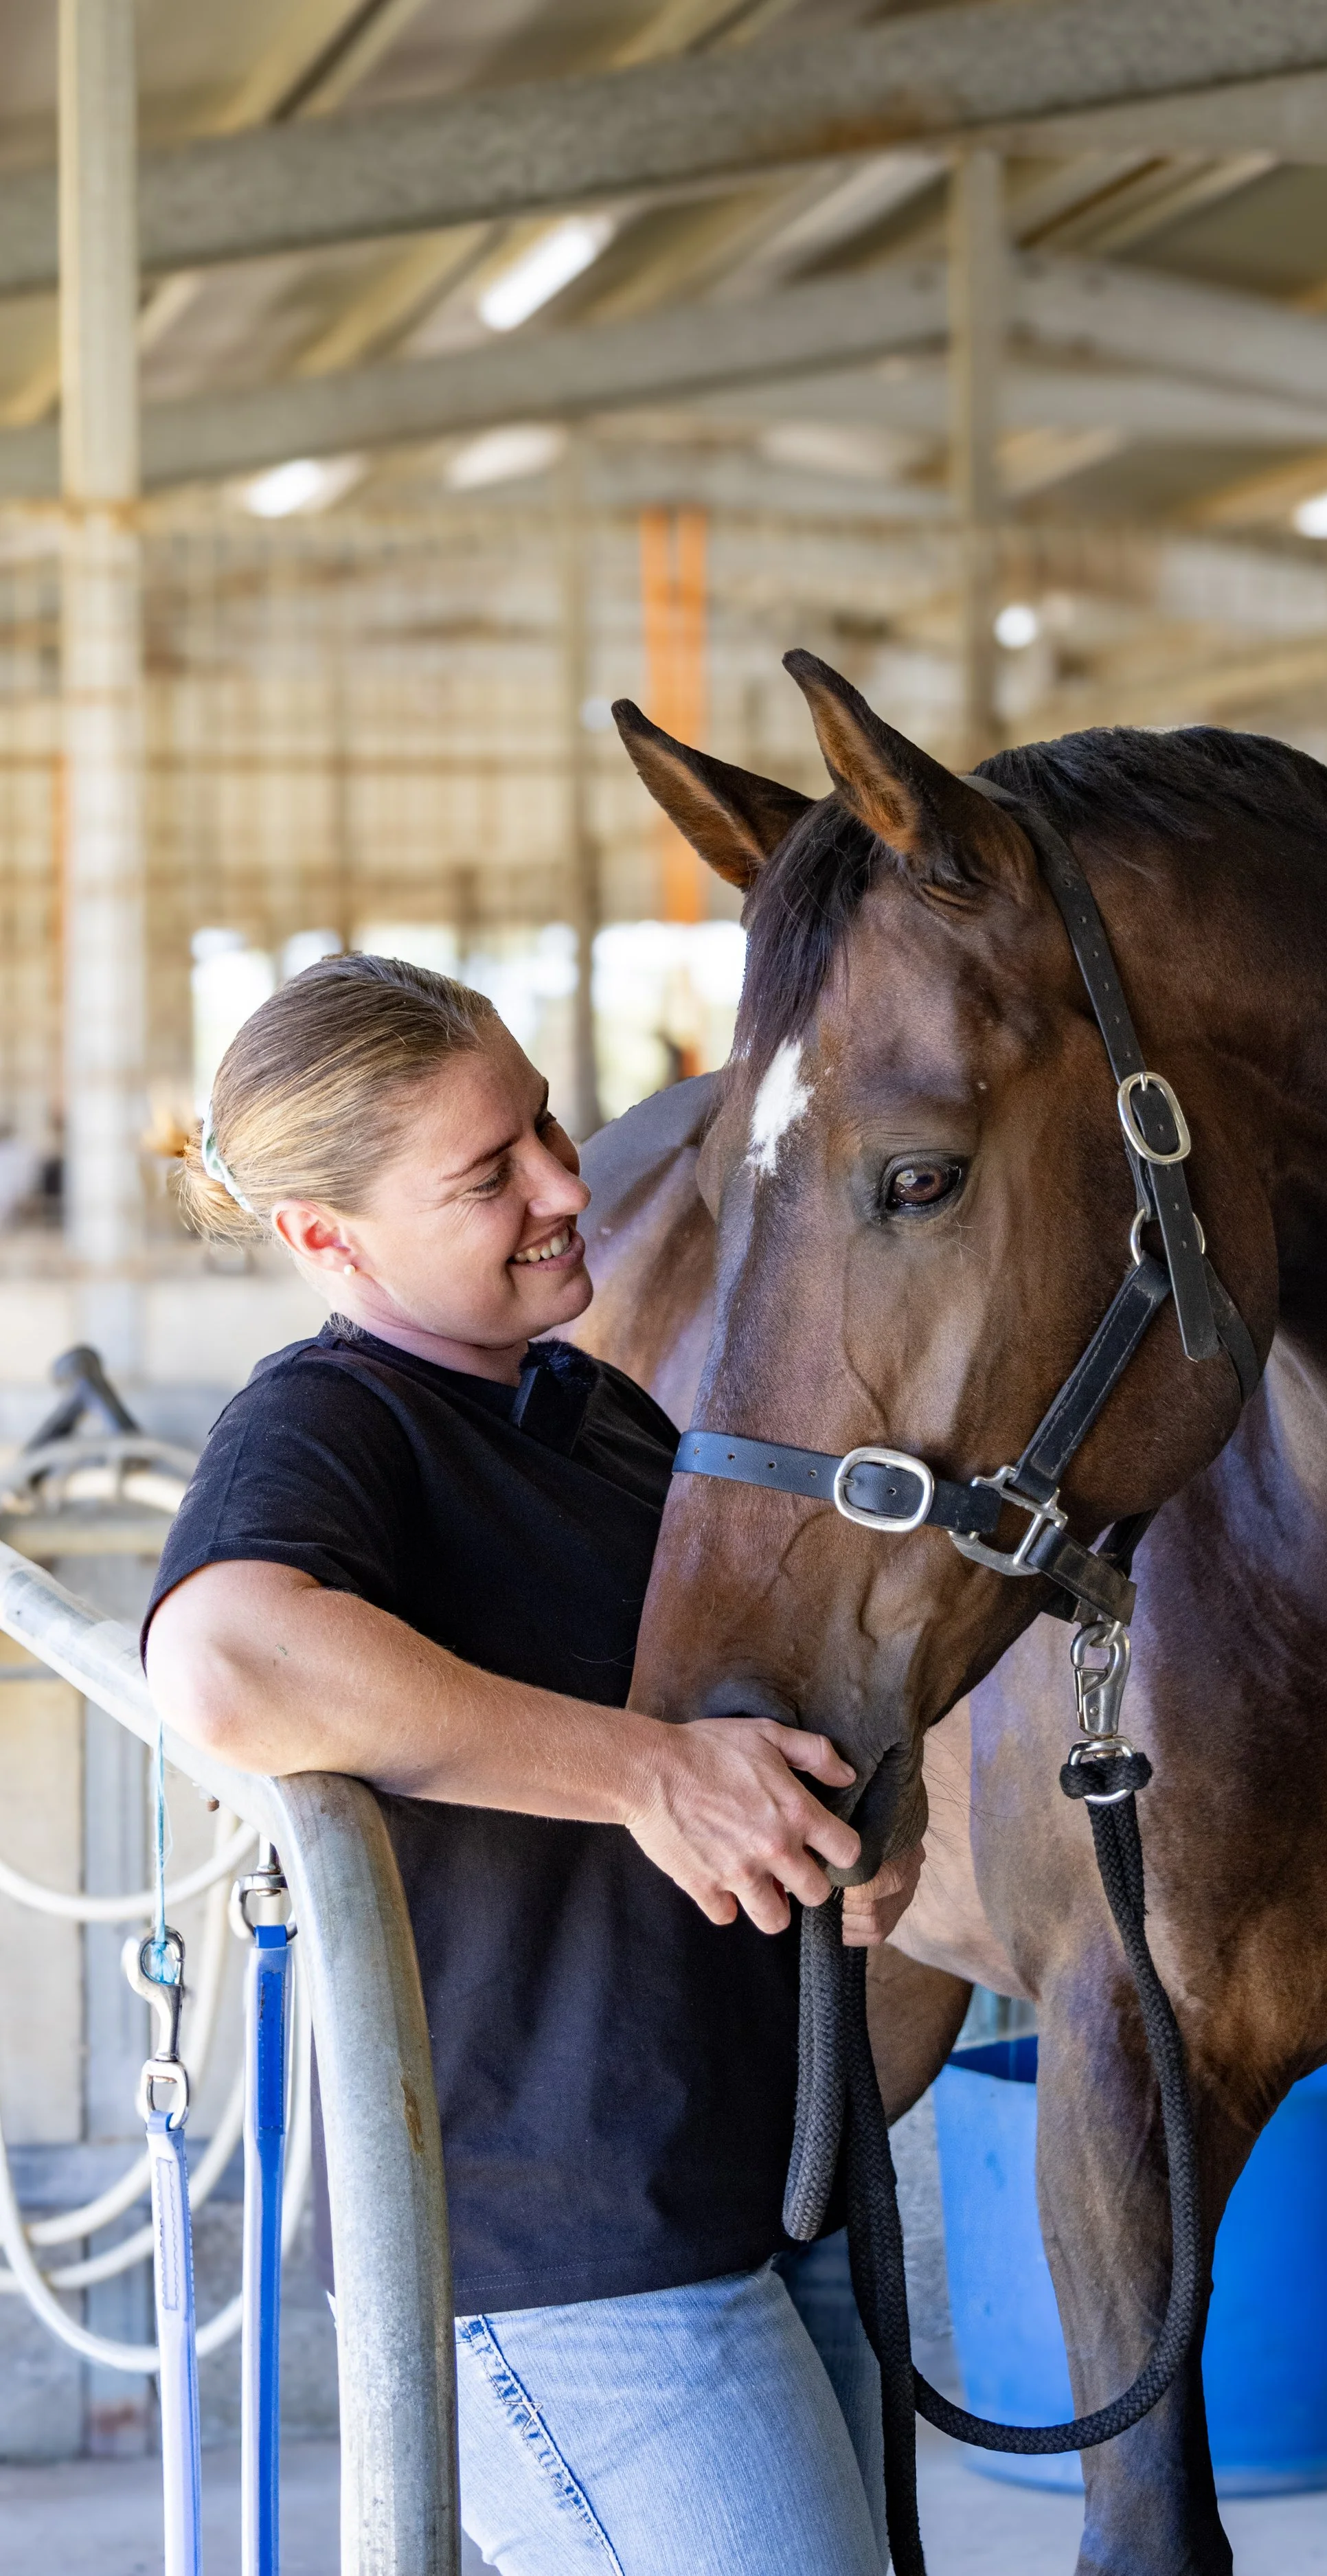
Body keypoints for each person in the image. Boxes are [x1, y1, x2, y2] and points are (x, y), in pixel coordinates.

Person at [146, 953, 920, 2575]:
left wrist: (825, 1826)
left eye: (548, 1130)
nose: (568, 1188)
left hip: (756, 2197)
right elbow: (225, 1662)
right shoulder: (333, 1426)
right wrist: (647, 1775)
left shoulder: (590, 1411)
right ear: (321, 1238)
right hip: (569, 2266)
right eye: (489, 1176)